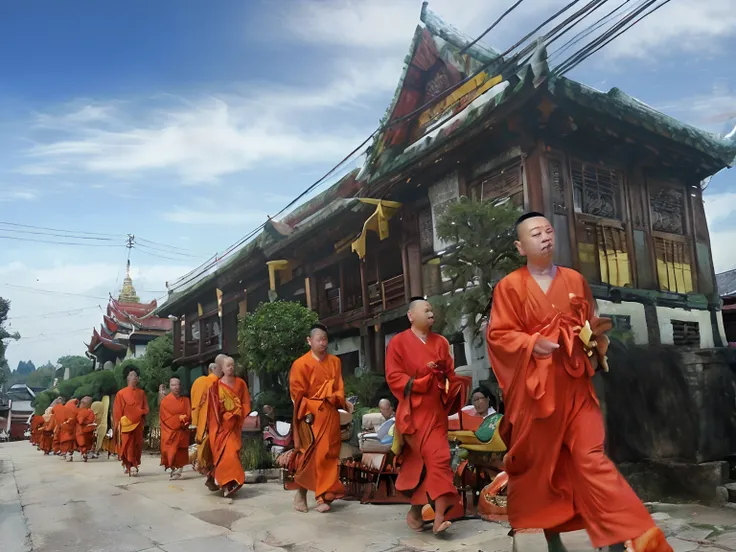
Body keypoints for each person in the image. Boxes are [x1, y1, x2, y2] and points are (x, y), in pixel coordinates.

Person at [487, 212, 672, 552]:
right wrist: (531, 344)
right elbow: (499, 336)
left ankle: (630, 536)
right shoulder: (509, 287)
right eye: (535, 233)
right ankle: (552, 535)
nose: (545, 237)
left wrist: (595, 341)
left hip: (575, 388)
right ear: (520, 246)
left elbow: (592, 325)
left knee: (592, 459)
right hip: (536, 395)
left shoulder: (575, 280)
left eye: (547, 230)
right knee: (543, 469)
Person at [386, 297, 469, 534]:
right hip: (412, 414)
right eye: (426, 309)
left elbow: (449, 376)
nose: (431, 312)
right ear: (411, 316)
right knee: (437, 460)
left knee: (432, 462)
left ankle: (428, 516)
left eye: (432, 309)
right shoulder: (398, 343)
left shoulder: (441, 342)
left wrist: (447, 379)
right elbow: (393, 377)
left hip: (436, 412)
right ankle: (430, 514)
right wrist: (421, 380)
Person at [290, 323, 353, 514]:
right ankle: (306, 493)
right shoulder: (300, 364)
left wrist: (341, 401)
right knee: (310, 456)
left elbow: (339, 387)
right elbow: (296, 394)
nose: (323, 343)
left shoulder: (335, 362)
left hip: (330, 413)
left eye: (325, 339)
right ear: (309, 341)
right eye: (319, 339)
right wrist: (307, 411)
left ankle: (324, 495)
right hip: (310, 415)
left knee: (329, 454)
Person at [206, 354, 251, 497]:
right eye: (228, 366)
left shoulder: (241, 383)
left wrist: (240, 413)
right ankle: (226, 484)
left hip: (235, 424)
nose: (231, 368)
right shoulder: (216, 386)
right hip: (222, 427)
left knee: (233, 454)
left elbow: (245, 402)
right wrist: (222, 417)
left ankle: (229, 483)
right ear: (222, 368)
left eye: (232, 365)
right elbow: (212, 409)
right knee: (226, 455)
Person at [113, 365, 150, 476]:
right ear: (127, 378)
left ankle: (134, 464)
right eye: (131, 375)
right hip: (126, 424)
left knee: (137, 445)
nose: (134, 377)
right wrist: (119, 424)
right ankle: (131, 465)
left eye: (136, 375)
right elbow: (117, 411)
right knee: (128, 445)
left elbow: (146, 408)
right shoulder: (121, 393)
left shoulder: (141, 393)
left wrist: (141, 412)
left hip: (138, 423)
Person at [191, 362, 221, 483]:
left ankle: (203, 466)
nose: (221, 372)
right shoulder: (216, 382)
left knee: (204, 443)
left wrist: (195, 419)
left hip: (203, 420)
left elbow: (195, 403)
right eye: (219, 369)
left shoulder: (199, 381)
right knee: (209, 444)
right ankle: (204, 466)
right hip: (211, 419)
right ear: (212, 369)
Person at [160, 377, 192, 479]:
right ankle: (173, 468)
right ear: (170, 386)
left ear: (180, 386)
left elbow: (189, 415)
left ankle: (178, 470)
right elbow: (166, 418)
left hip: (182, 430)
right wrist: (179, 419)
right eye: (173, 385)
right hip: (170, 431)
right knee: (170, 451)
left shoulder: (186, 400)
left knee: (181, 452)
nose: (175, 387)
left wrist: (184, 420)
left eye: (177, 385)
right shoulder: (165, 401)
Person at [75, 396, 97, 462]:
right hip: (90, 430)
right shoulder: (91, 412)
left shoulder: (83, 411)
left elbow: (80, 421)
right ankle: (86, 453)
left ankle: (84, 453)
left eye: (82, 403)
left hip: (82, 430)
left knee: (82, 443)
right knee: (88, 443)